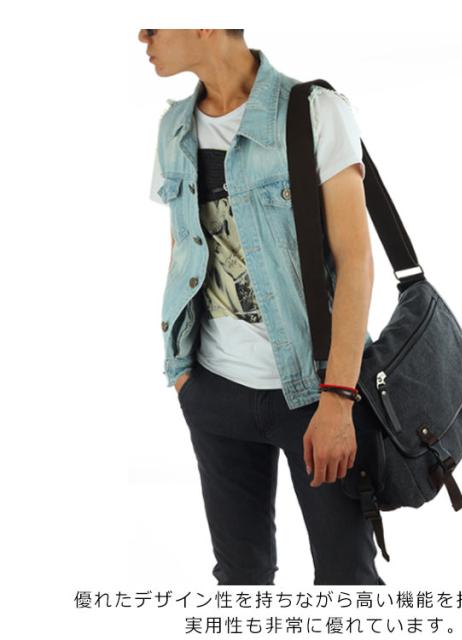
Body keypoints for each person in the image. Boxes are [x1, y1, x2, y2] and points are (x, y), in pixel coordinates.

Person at [140, 29, 384, 585]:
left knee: (346, 579)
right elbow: (184, 249)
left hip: (313, 395)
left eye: (153, 22)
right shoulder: (173, 127)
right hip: (213, 390)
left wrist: (338, 399)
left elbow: (356, 263)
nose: (143, 36)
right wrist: (183, 374)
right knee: (239, 579)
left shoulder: (314, 111)